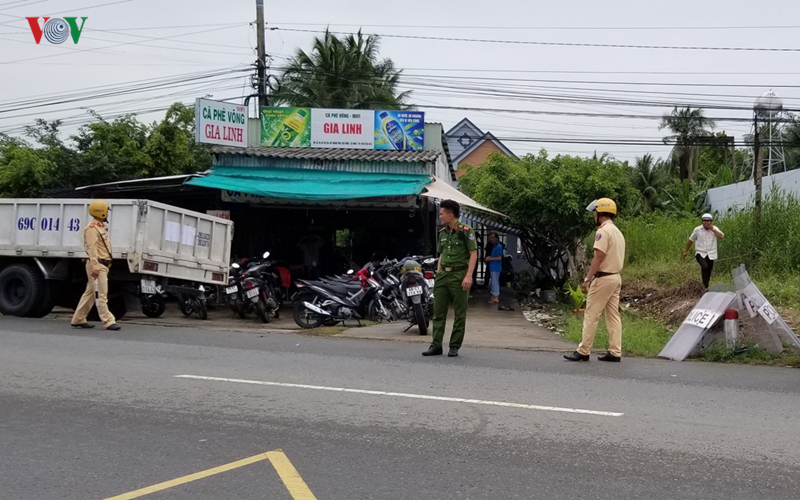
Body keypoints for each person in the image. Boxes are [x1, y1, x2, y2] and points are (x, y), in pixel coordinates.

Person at [565, 198, 625, 362]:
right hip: (615, 278)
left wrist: (587, 279)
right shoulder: (617, 232)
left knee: (591, 314)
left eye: (595, 213)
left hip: (604, 278)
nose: (593, 216)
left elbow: (598, 257)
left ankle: (583, 350)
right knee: (613, 316)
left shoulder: (603, 231)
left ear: (600, 213)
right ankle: (615, 351)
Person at [423, 200, 478, 358]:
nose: (440, 216)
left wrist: (468, 276)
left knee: (460, 313)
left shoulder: (466, 231)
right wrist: (438, 272)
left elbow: (473, 253)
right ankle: (436, 345)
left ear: (450, 215)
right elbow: (441, 255)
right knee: (438, 312)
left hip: (459, 275)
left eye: (441, 214)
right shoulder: (442, 233)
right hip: (443, 276)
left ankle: (454, 345)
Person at [71, 200, 121, 331]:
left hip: (103, 264)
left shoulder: (100, 227)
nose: (107, 214)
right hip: (98, 264)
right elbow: (91, 249)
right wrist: (95, 265)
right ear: (102, 212)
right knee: (101, 294)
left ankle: (78, 319)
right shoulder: (92, 229)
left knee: (91, 293)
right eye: (106, 211)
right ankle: (108, 321)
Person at [683, 213, 724, 290]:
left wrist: (713, 229)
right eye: (704, 221)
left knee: (709, 270)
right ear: (702, 222)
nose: (706, 223)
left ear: (711, 222)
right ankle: (704, 287)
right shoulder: (697, 230)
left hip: (711, 254)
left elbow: (721, 236)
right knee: (705, 267)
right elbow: (690, 240)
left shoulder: (714, 229)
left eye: (708, 221)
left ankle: (705, 286)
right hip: (700, 253)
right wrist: (686, 251)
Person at [485, 232, 504, 304]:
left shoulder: (499, 246)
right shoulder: (495, 246)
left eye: (493, 238)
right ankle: (493, 295)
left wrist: (490, 259)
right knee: (493, 281)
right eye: (490, 238)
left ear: (496, 238)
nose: (491, 239)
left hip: (496, 267)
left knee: (495, 282)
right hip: (493, 266)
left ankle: (496, 296)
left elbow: (499, 258)